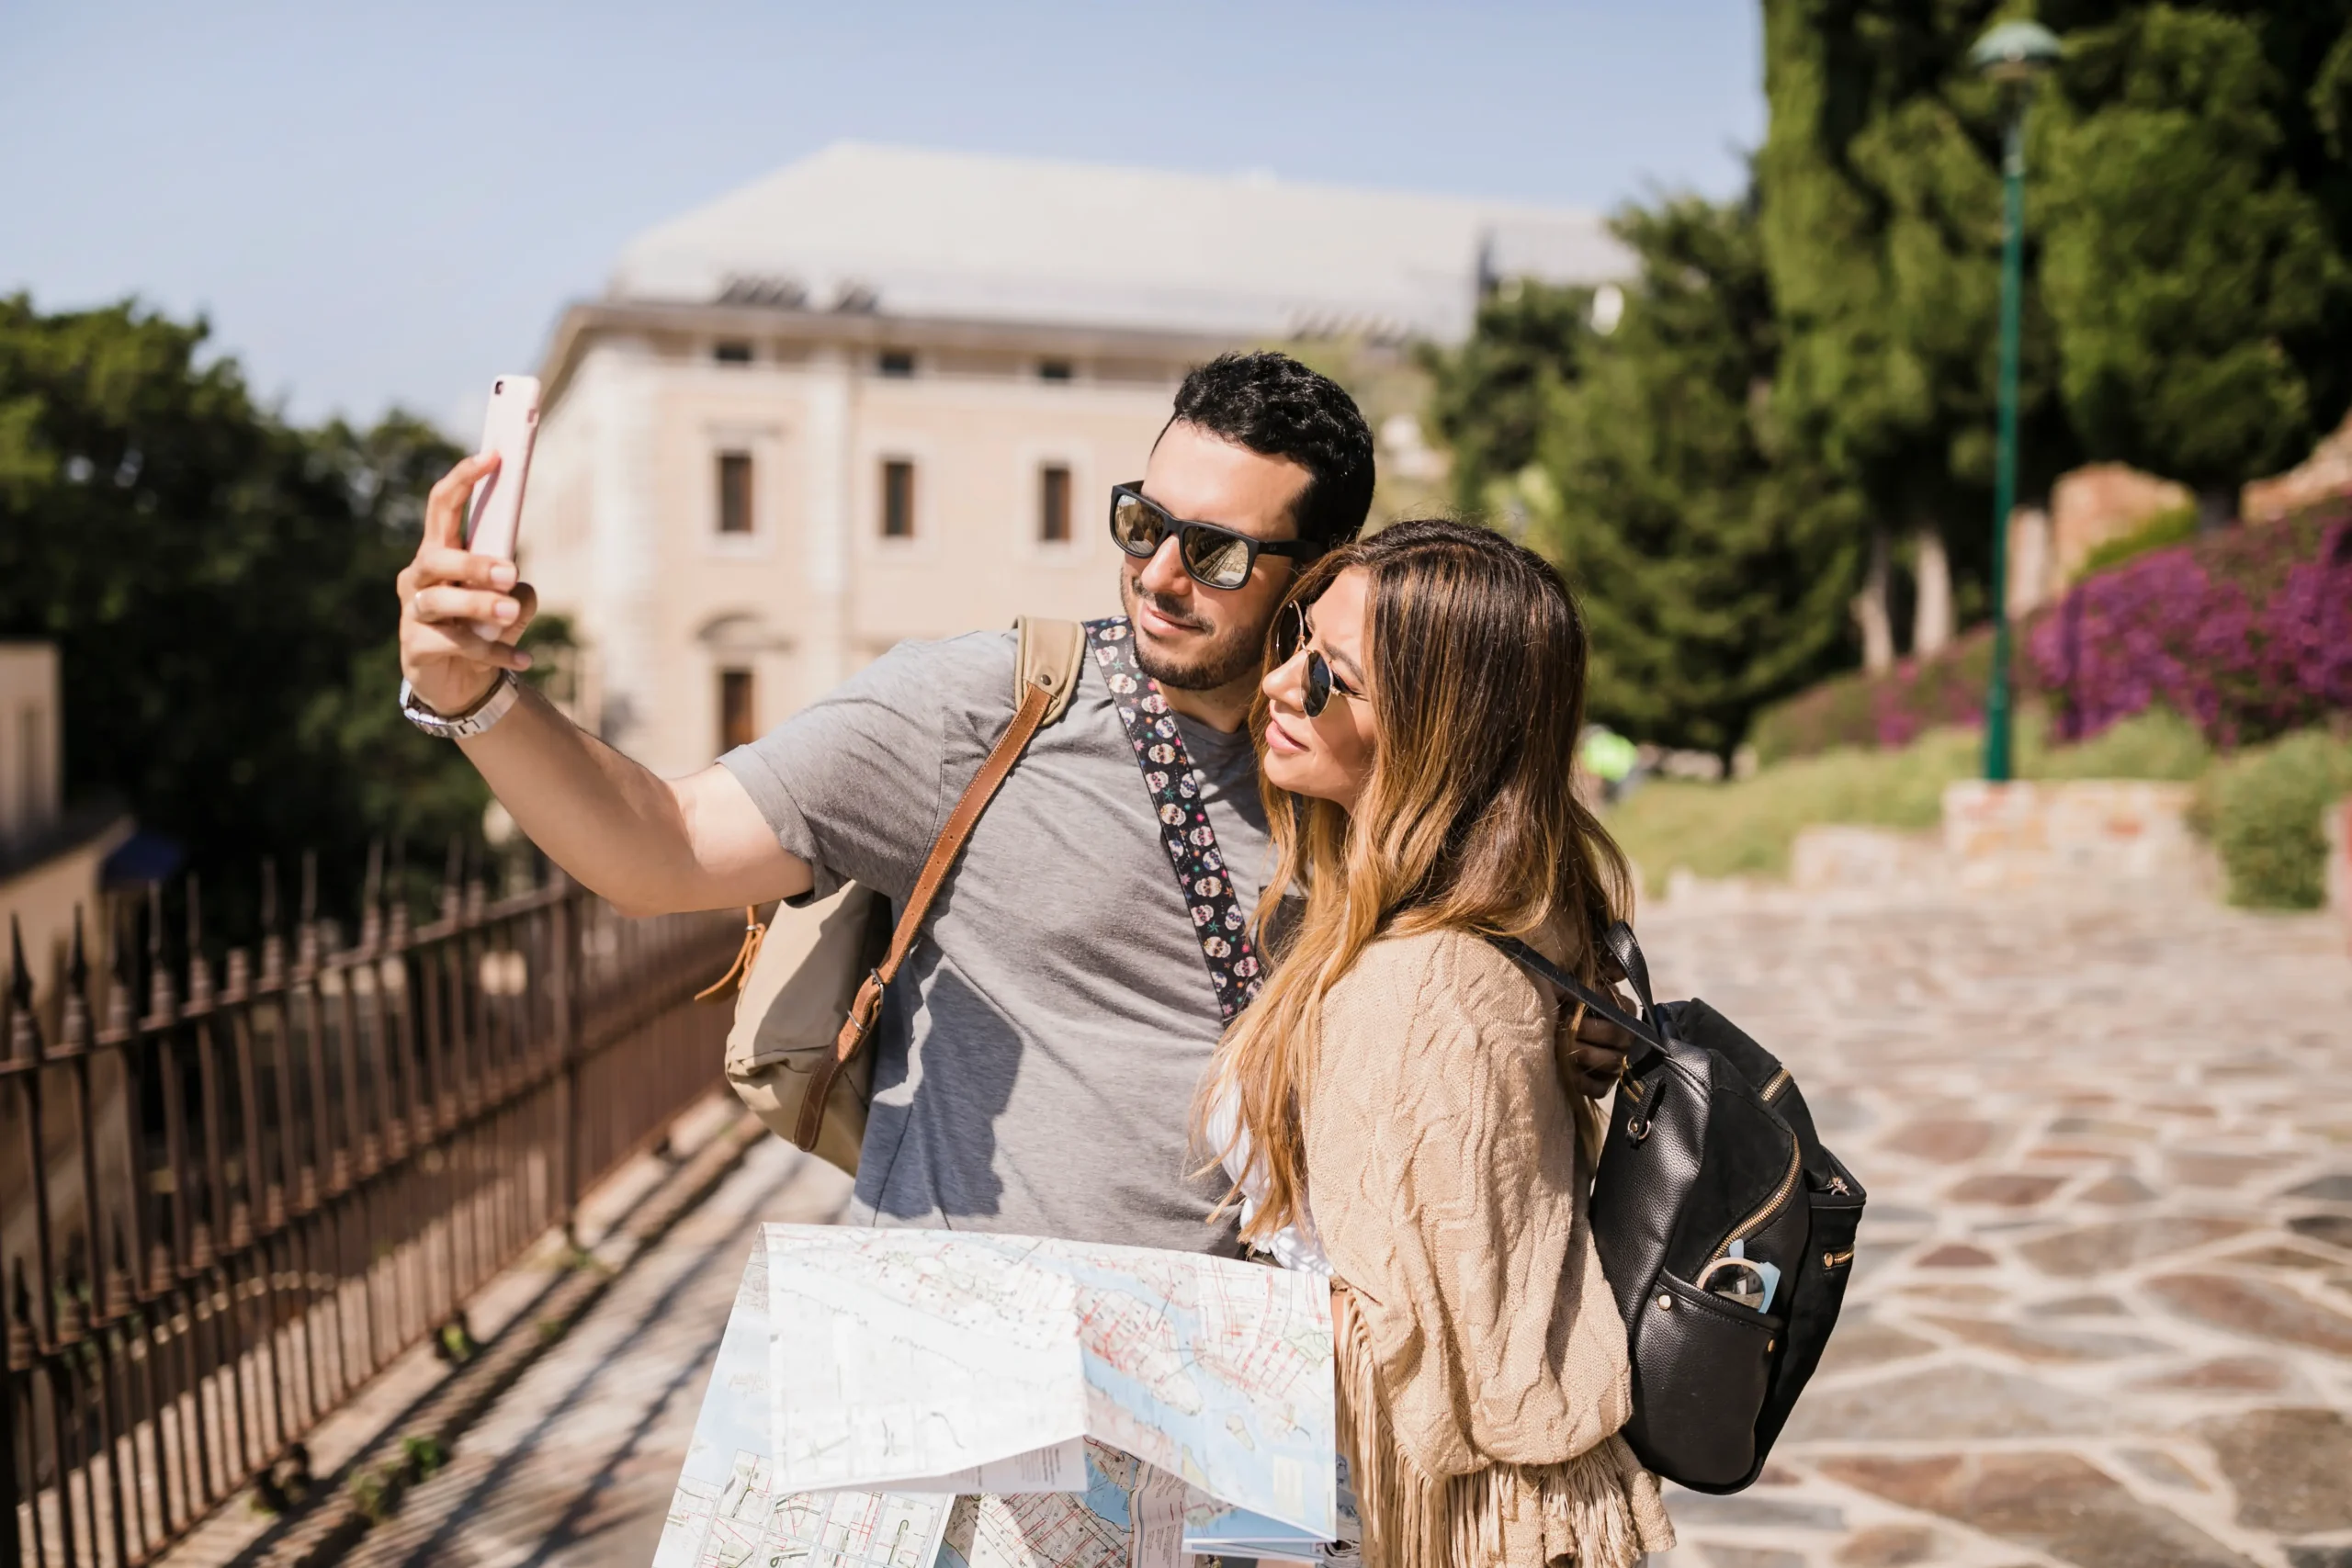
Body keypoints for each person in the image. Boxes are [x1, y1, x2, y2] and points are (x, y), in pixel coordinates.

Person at [400, 351, 1632, 1252]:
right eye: (1143, 521)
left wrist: (1563, 1037)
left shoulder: (1366, 760)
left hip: (1251, 1419)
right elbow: (660, 844)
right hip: (976, 1385)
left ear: (1314, 574)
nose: (1157, 573)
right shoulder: (985, 705)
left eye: (1213, 552)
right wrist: (472, 697)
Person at [1200, 519, 1676, 1568]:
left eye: (1330, 678)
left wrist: (1122, 1329)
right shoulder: (1493, 911)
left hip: (1448, 1524)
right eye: (1295, 642)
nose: (1278, 683)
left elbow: (1412, 1359)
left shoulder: (1418, 986)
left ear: (1433, 731)